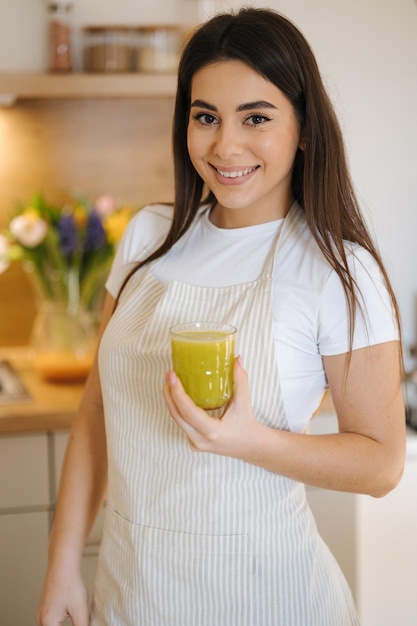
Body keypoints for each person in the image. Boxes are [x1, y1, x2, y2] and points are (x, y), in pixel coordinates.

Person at [36, 7, 405, 626]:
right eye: (205, 116)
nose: (225, 145)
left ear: (305, 128)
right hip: (131, 594)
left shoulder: (337, 270)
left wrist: (249, 442)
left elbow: (382, 464)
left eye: (255, 118)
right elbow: (98, 413)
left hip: (267, 599)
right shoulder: (148, 239)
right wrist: (63, 566)